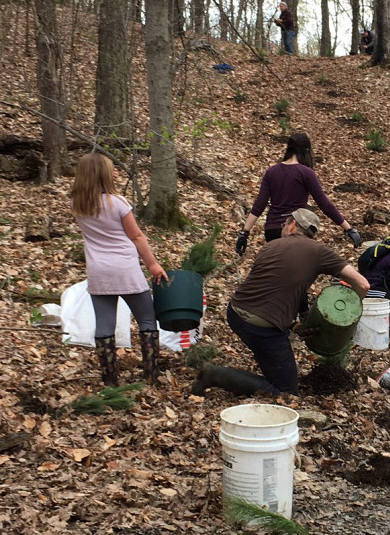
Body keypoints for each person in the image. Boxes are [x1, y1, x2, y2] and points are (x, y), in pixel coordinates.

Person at [192, 208, 370, 396]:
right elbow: (363, 284)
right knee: (287, 392)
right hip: (262, 326)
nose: (282, 228)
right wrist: (349, 311)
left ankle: (249, 372)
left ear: (292, 224)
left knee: (275, 367)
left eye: (284, 224)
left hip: (236, 312)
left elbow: (278, 289)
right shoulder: (318, 251)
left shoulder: (270, 246)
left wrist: (294, 325)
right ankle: (214, 374)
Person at [70, 153, 169, 386]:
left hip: (98, 271)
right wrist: (153, 264)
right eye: (111, 169)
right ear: (101, 174)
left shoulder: (77, 204)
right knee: (146, 319)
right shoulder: (118, 203)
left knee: (104, 325)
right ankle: (151, 377)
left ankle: (110, 382)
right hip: (125, 268)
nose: (116, 172)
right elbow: (136, 235)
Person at [236, 132, 362, 255]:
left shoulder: (271, 171)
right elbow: (324, 204)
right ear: (306, 152)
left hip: (272, 230)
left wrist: (245, 233)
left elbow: (259, 205)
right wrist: (348, 228)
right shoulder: (306, 173)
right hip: (296, 229)